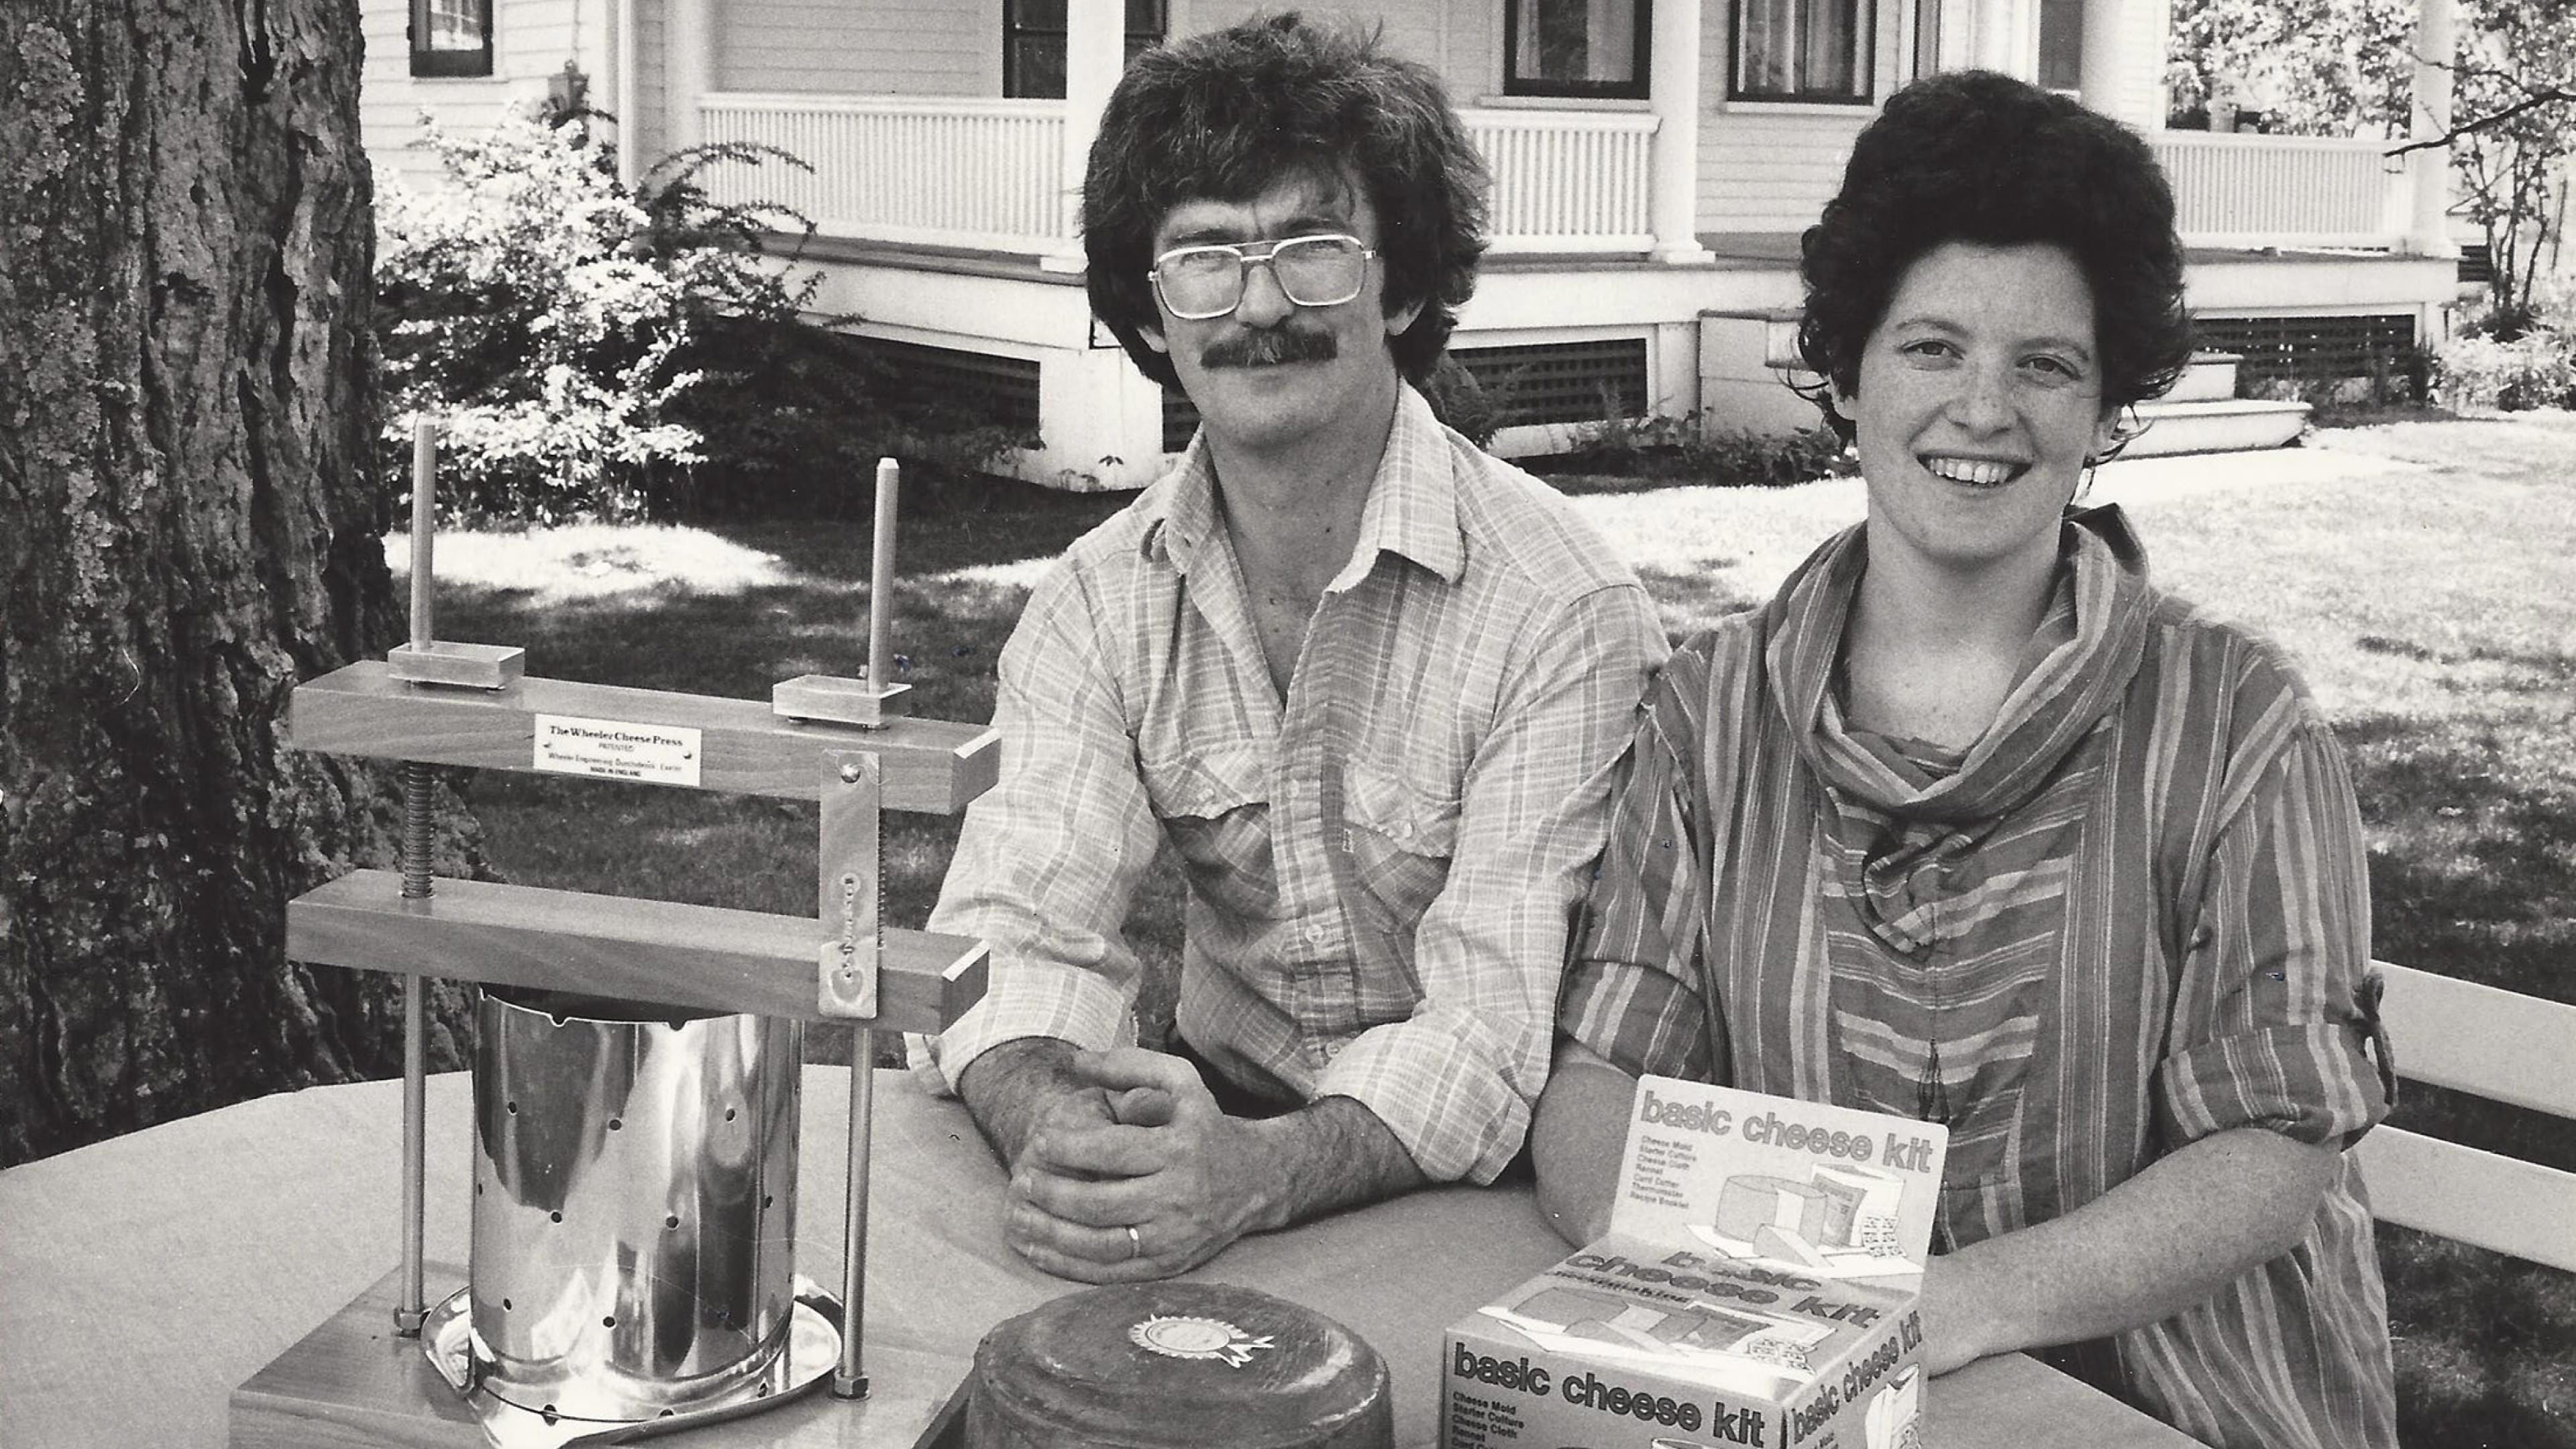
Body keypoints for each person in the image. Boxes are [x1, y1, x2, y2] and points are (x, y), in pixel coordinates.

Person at [1529, 70, 2398, 1449]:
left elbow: (2276, 1149)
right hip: (1796, 1393)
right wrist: (1729, 1307)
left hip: (2171, 1403)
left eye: (2045, 363)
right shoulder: (1709, 719)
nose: (1983, 409)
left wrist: (1949, 1305)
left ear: (2107, 395)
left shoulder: (2239, 726)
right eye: (1931, 347)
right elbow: (1601, 1085)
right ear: (1850, 370)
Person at [911, 15, 1666, 1286]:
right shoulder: (1099, 602)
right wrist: (1055, 1125)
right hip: (1209, 1125)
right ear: (1151, 317)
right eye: (1204, 258)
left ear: (1406, 285)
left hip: (1485, 1186)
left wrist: (1259, 1173)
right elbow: (1009, 935)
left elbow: (1489, 1031)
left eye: (1312, 252)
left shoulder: (1563, 606)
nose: (1259, 306)